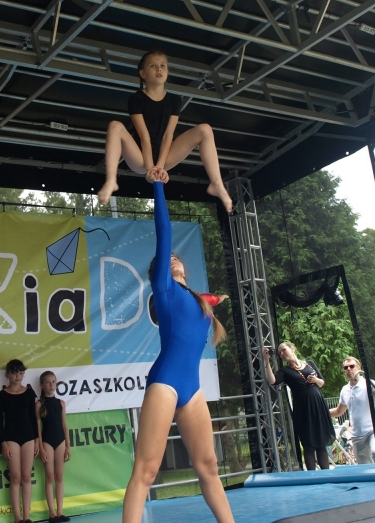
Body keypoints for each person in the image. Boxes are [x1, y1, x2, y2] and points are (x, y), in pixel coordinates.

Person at [122, 179, 234, 523]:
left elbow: (207, 300)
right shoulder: (165, 290)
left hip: (192, 389)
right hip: (166, 382)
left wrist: (217, 299)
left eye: (176, 257)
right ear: (158, 272)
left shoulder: (197, 300)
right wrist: (158, 186)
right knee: (146, 470)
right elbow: (164, 231)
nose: (172, 257)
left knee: (209, 466)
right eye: (166, 258)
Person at [97, 50, 232, 213]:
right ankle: (111, 180)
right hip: (140, 157)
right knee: (115, 126)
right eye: (153, 66)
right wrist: (149, 169)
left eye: (163, 66)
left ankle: (217, 183)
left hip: (166, 156)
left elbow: (168, 135)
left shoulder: (174, 100)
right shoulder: (136, 99)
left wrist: (160, 166)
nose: (159, 69)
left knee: (205, 130)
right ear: (142, 74)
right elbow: (144, 136)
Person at [263, 343, 334, 470]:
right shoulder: (285, 371)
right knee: (308, 444)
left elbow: (322, 383)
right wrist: (266, 361)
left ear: (292, 349)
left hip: (318, 405)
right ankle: (312, 475)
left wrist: (315, 380)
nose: (282, 354)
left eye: (284, 350)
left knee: (321, 442)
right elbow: (272, 380)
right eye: (280, 353)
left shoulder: (309, 363)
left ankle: (326, 474)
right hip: (303, 408)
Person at [0, 360, 39, 523]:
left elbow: (33, 418)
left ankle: (27, 517)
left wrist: (36, 440)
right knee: (15, 476)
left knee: (26, 476)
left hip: (28, 437)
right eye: (14, 373)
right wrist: (3, 442)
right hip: (11, 438)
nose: (17, 376)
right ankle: (18, 517)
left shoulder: (29, 393)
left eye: (21, 373)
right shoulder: (1, 396)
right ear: (7, 374)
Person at [329, 356, 375, 464]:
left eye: (352, 366)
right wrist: (322, 412)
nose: (349, 369)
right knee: (365, 466)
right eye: (345, 367)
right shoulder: (345, 390)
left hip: (373, 430)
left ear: (359, 368)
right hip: (357, 434)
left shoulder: (369, 383)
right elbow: (339, 411)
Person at [36, 372, 71, 523]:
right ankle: (52, 512)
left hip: (60, 441)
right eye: (48, 382)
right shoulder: (39, 404)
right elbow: (38, 428)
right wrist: (41, 447)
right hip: (47, 441)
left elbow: (64, 426)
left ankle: (60, 511)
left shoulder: (61, 403)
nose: (51, 385)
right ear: (42, 385)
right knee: (50, 476)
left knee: (59, 476)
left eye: (53, 382)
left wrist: (68, 446)